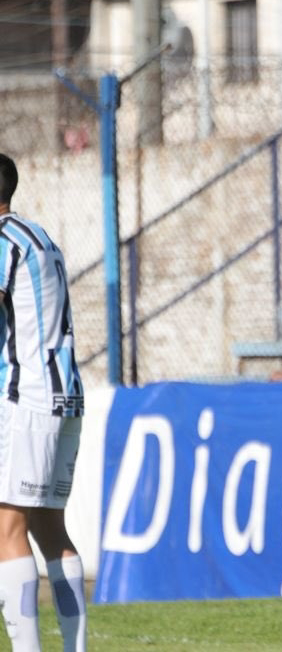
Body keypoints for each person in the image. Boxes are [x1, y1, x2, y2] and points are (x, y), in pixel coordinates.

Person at [0, 154, 87, 652]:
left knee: (6, 527)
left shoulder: (2, 240)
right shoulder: (39, 237)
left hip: (25, 397)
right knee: (49, 527)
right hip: (63, 394)